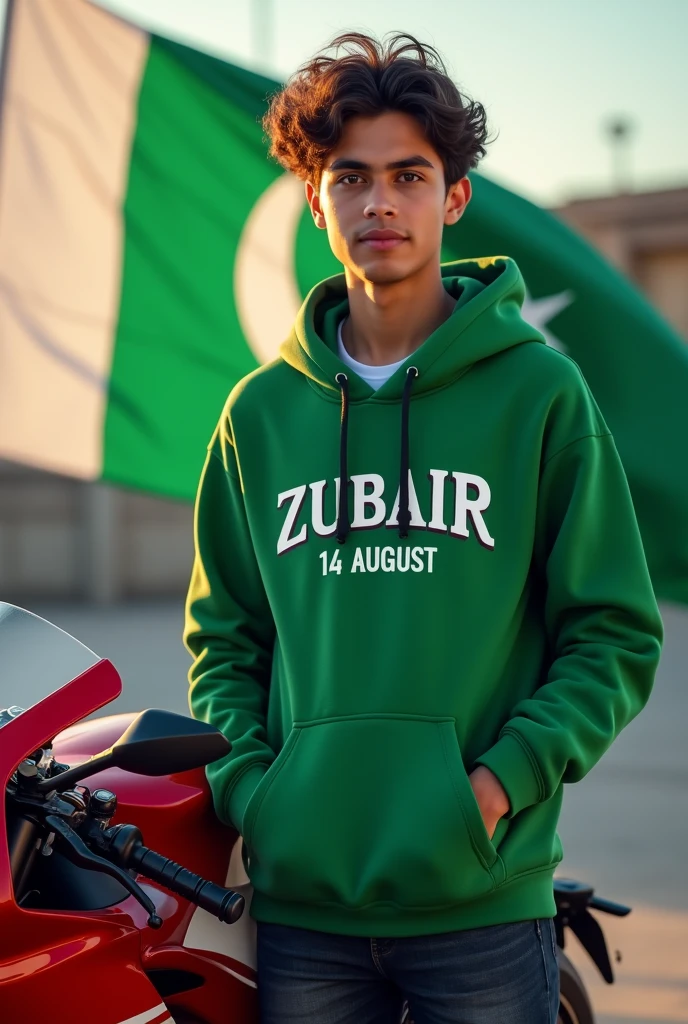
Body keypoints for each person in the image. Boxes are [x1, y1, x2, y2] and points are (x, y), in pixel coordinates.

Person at [184, 32, 663, 1024]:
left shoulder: (538, 392)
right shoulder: (259, 413)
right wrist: (254, 791)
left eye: (409, 175)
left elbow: (612, 629)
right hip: (304, 909)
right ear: (313, 200)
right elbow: (224, 638)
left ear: (452, 197)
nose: (378, 203)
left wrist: (496, 784)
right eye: (348, 178)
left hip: (481, 906)